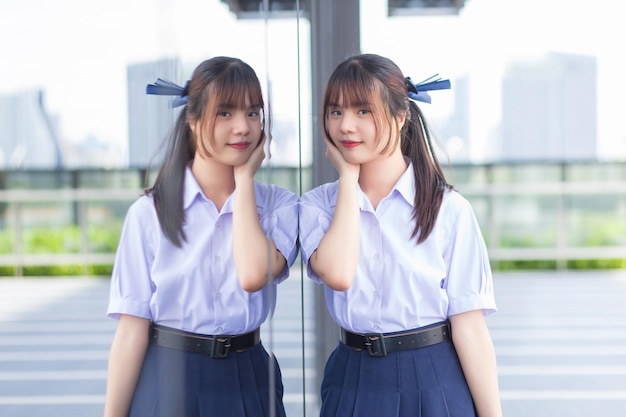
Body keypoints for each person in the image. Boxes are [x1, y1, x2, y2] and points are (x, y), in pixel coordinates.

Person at [299, 53, 503, 417]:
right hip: (354, 375)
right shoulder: (318, 206)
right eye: (335, 111)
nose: (346, 125)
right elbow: (339, 274)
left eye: (363, 111)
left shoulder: (448, 209)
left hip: (434, 375)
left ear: (400, 114)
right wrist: (348, 179)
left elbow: (469, 328)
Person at [103, 56, 298, 417]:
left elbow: (253, 275)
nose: (242, 127)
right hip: (168, 375)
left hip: (248, 374)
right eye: (225, 113)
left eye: (253, 113)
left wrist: (244, 183)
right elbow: (131, 331)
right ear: (193, 119)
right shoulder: (150, 213)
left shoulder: (278, 206)